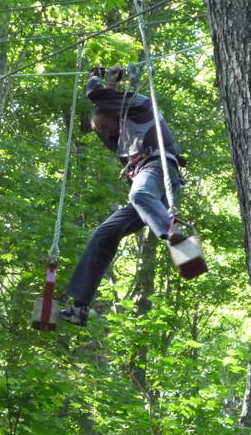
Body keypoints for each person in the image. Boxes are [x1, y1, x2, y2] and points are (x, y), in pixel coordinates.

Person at [58, 64, 185, 327]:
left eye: (105, 128)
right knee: (103, 234)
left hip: (159, 168)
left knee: (139, 193)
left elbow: (98, 96)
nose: (106, 136)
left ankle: (174, 234)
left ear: (117, 116)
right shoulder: (122, 141)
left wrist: (95, 78)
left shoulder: (141, 108)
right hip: (148, 196)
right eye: (102, 133)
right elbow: (108, 109)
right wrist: (112, 86)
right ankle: (80, 306)